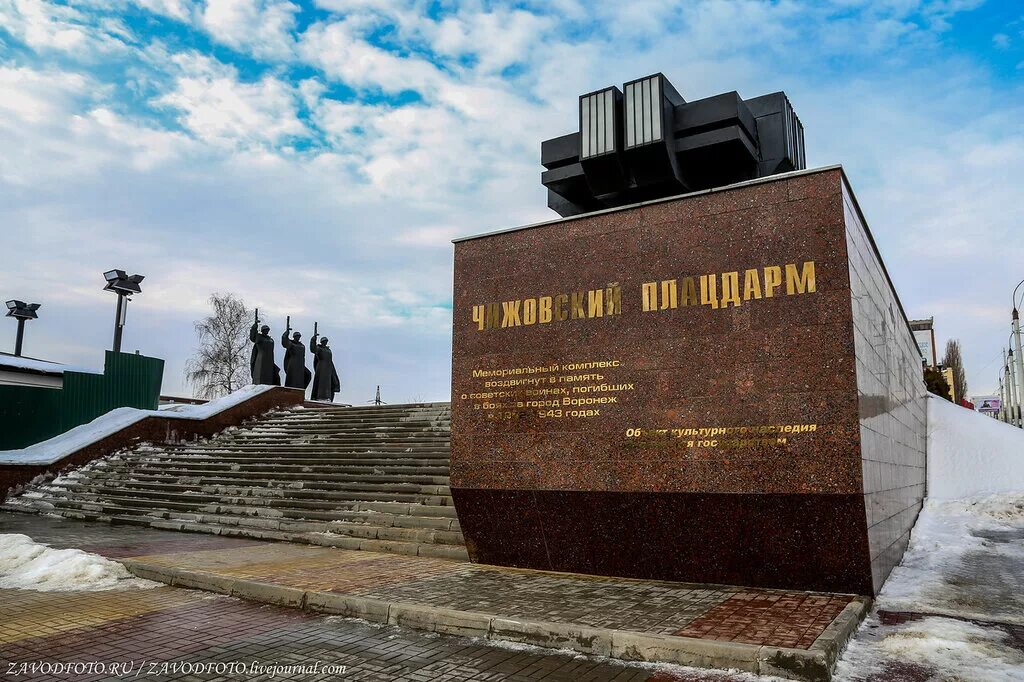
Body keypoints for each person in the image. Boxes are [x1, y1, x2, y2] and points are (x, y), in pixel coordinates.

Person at [309, 332, 340, 402]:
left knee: (329, 383)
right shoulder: (319, 348)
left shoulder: (328, 349)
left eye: (326, 341)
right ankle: (320, 397)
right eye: (324, 341)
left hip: (329, 368)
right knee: (321, 383)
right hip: (321, 367)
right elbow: (312, 349)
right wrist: (313, 339)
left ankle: (327, 397)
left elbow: (330, 360)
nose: (325, 342)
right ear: (321, 342)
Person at [249, 321, 280, 385]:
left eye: (267, 330)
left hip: (270, 359)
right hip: (261, 358)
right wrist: (255, 326)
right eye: (265, 330)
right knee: (260, 373)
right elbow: (253, 337)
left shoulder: (270, 339)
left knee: (270, 374)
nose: (266, 331)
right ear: (262, 330)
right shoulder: (259, 337)